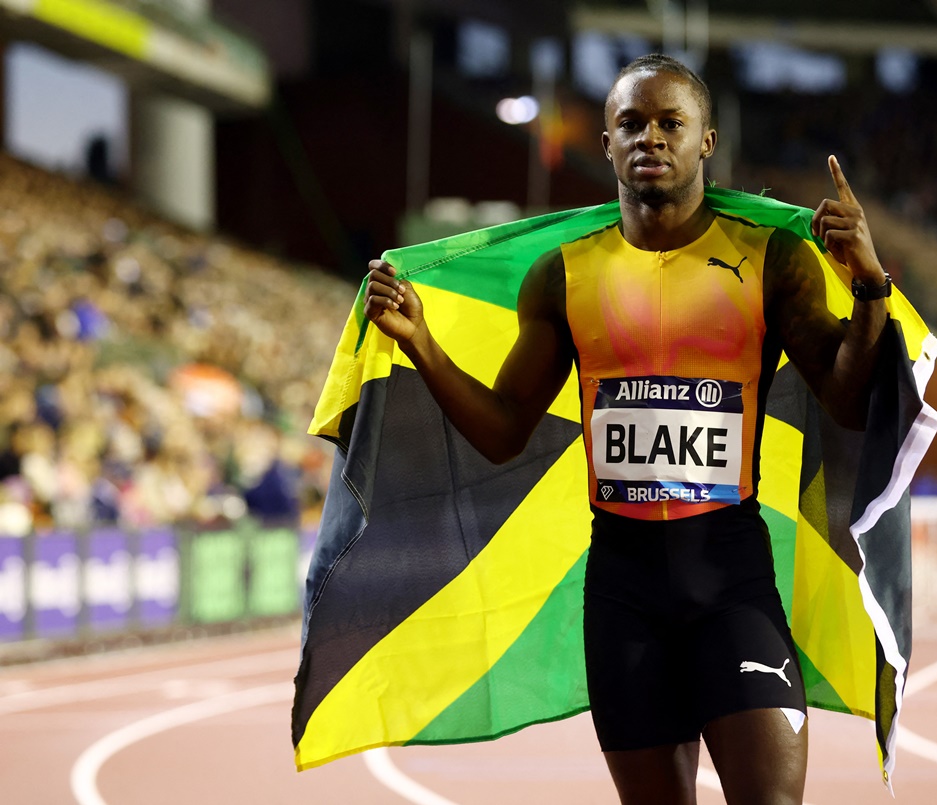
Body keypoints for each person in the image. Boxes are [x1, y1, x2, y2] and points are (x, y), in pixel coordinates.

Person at [363, 54, 891, 805]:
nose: (651, 137)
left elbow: (847, 399)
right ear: (606, 144)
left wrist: (869, 286)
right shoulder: (563, 274)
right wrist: (422, 344)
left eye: (671, 122)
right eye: (630, 124)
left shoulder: (771, 259)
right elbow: (507, 430)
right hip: (624, 591)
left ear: (706, 140)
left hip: (731, 582)